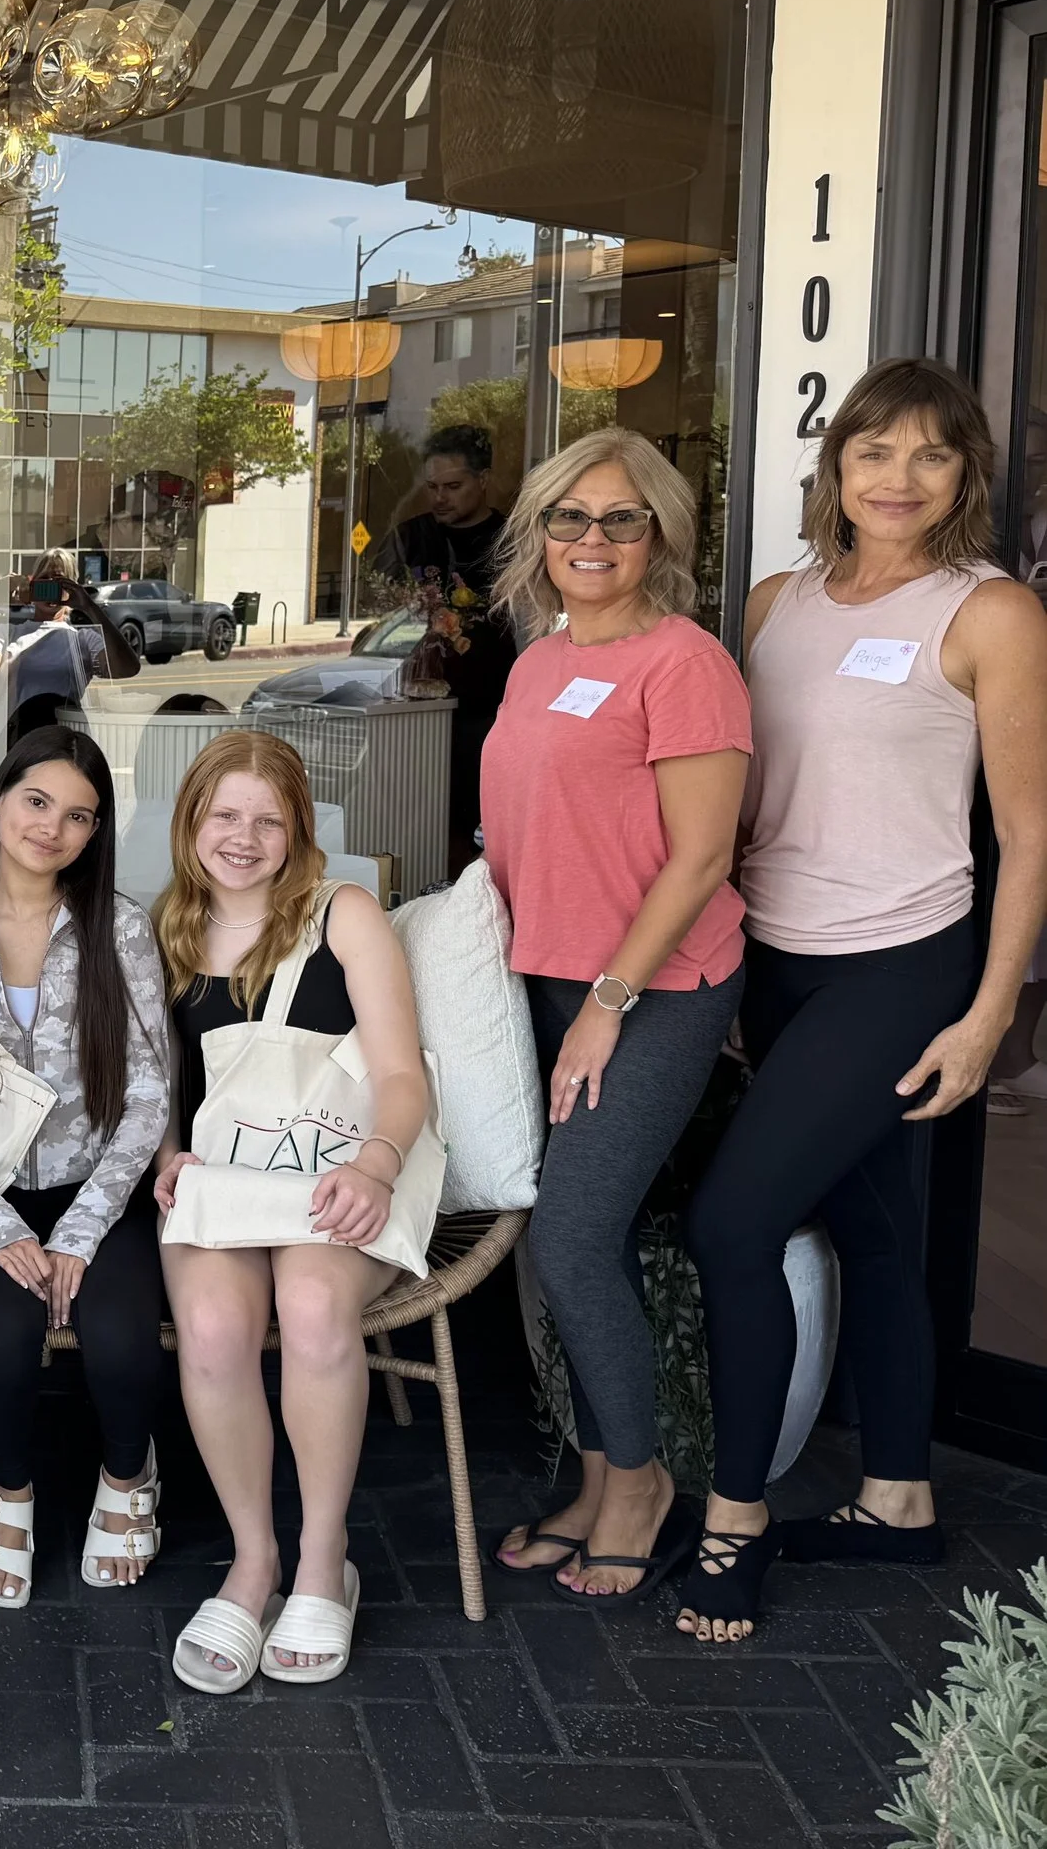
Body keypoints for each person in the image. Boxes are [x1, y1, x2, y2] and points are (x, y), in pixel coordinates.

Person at [678, 360, 1047, 1646]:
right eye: (873, 450)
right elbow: (732, 801)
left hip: (902, 963)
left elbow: (1028, 828)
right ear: (835, 464)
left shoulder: (990, 613)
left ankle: (734, 1520)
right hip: (778, 956)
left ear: (965, 479)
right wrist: (720, 961)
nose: (897, 479)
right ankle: (899, 1499)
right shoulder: (777, 602)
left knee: (732, 1226)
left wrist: (992, 1010)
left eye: (931, 457)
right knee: (880, 1231)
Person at [477, 431, 749, 1605]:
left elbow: (697, 862)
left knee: (577, 1236)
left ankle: (638, 1482)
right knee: (565, 1239)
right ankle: (594, 1473)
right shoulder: (538, 658)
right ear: (539, 535)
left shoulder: (685, 665)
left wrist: (605, 1006)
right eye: (569, 518)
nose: (592, 540)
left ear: (663, 538)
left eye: (621, 519)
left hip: (656, 988)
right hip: (544, 981)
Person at [152, 731, 428, 1690]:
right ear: (190, 822)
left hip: (339, 1171)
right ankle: (253, 1556)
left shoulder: (342, 914)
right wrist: (163, 1153)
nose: (244, 836)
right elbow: (156, 1087)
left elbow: (400, 1073)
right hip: (229, 1179)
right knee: (217, 1329)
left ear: (298, 833)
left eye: (268, 820)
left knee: (311, 1307)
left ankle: (322, 1559)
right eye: (224, 814)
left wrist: (379, 1164)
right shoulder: (168, 932)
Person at [0, 725, 171, 1607]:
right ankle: (9, 1491)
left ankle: (129, 1475)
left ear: (94, 834)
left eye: (77, 815)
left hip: (99, 1190)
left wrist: (84, 1228)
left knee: (126, 1335)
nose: (50, 827)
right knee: (3, 1336)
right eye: (36, 801)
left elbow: (150, 1095)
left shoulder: (120, 930)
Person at [385, 423, 516, 870]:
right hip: (415, 706)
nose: (440, 497)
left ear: (484, 480)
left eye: (454, 486)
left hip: (491, 707)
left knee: (479, 830)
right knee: (413, 820)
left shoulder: (513, 542)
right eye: (433, 487)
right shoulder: (409, 537)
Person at [0, 553, 139, 746]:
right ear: (32, 584)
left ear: (72, 587)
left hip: (61, 744)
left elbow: (127, 668)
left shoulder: (82, 639)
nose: (51, 586)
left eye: (60, 581)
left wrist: (89, 607)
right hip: (6, 743)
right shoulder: (8, 633)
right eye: (44, 579)